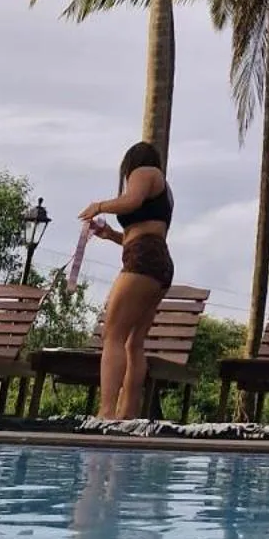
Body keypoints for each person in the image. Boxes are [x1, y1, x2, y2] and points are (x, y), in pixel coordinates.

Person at [78, 141, 175, 421]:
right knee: (134, 342)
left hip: (143, 259)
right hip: (156, 261)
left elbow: (130, 202)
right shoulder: (162, 190)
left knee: (113, 335)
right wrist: (110, 235)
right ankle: (126, 414)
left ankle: (106, 412)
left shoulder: (145, 172)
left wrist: (100, 205)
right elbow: (141, 233)